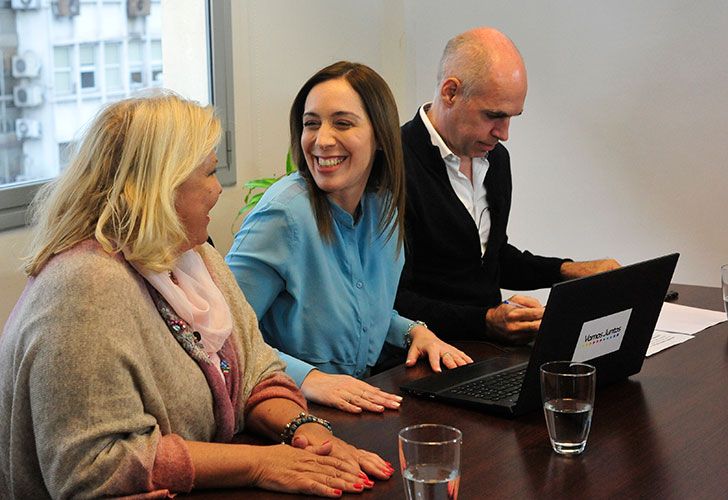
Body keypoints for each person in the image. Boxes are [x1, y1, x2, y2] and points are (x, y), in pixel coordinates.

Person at [0, 92, 393, 499]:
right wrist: (261, 463)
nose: (217, 189)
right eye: (207, 173)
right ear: (159, 186)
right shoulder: (84, 285)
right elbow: (96, 465)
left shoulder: (193, 253)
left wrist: (306, 430)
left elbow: (257, 372)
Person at [226, 61, 472, 415]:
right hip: (286, 409)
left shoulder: (382, 206)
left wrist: (414, 332)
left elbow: (363, 309)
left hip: (359, 402)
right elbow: (226, 337)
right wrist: (309, 378)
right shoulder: (284, 214)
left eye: (342, 123)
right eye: (311, 124)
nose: (322, 140)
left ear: (380, 137)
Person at [395, 27, 620, 345]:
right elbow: (392, 300)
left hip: (487, 350)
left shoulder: (495, 160)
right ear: (450, 92)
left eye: (512, 117)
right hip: (425, 356)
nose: (504, 133)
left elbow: (490, 258)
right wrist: (485, 321)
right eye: (494, 116)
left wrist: (568, 271)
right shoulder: (393, 165)